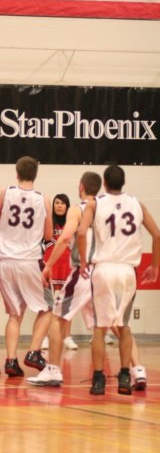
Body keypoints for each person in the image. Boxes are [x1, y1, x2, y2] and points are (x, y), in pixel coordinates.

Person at [77, 165, 160, 396]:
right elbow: (157, 234)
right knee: (123, 326)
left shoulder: (95, 203)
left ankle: (98, 379)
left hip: (103, 269)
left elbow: (81, 233)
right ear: (123, 183)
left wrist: (83, 261)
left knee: (100, 328)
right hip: (127, 271)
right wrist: (154, 266)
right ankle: (124, 376)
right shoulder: (136, 203)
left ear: (104, 182)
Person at [28, 171, 102, 387]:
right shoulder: (107, 209)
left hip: (84, 270)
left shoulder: (78, 210)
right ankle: (134, 370)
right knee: (118, 325)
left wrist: (48, 265)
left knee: (55, 316)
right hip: (105, 271)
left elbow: (67, 237)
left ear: (81, 187)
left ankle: (52, 369)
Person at [0, 156, 53, 378]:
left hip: (5, 261)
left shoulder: (5, 192)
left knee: (14, 314)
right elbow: (48, 235)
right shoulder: (43, 199)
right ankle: (34, 352)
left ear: (16, 174)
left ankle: (10, 360)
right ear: (35, 175)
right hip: (29, 260)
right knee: (47, 308)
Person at [42, 193, 77, 351]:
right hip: (49, 266)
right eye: (57, 203)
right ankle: (45, 336)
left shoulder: (72, 222)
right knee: (48, 304)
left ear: (67, 206)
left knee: (67, 304)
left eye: (63, 203)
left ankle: (67, 337)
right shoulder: (48, 223)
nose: (59, 205)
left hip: (67, 266)